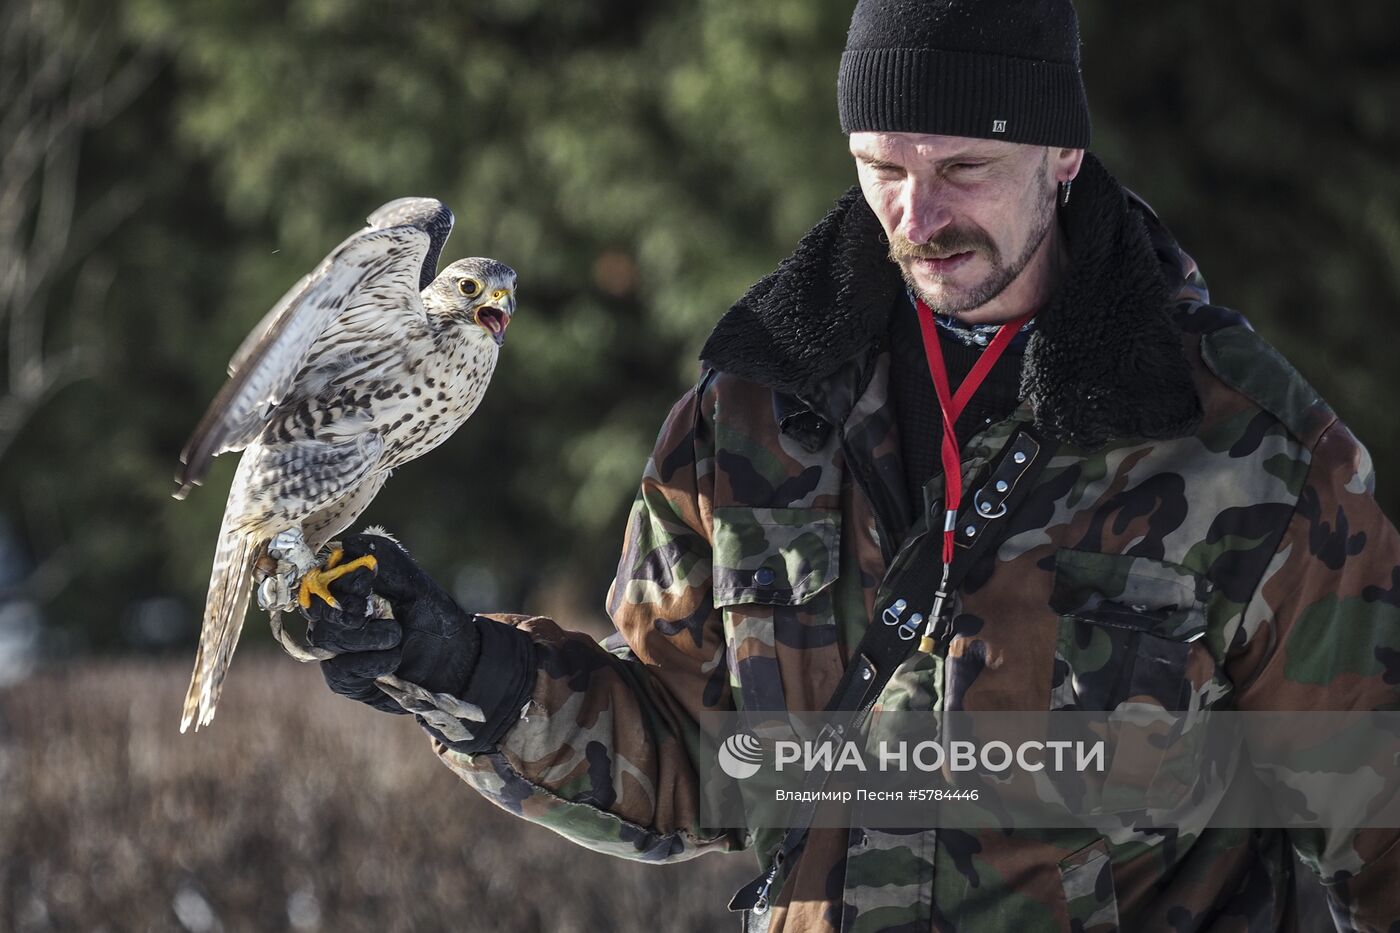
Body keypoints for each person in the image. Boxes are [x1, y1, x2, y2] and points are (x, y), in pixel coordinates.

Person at [300, 0, 1400, 929]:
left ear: (1062, 157)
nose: (917, 216)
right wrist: (457, 669)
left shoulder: (1246, 447)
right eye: (882, 167)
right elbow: (701, 760)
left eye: (963, 167)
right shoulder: (748, 413)